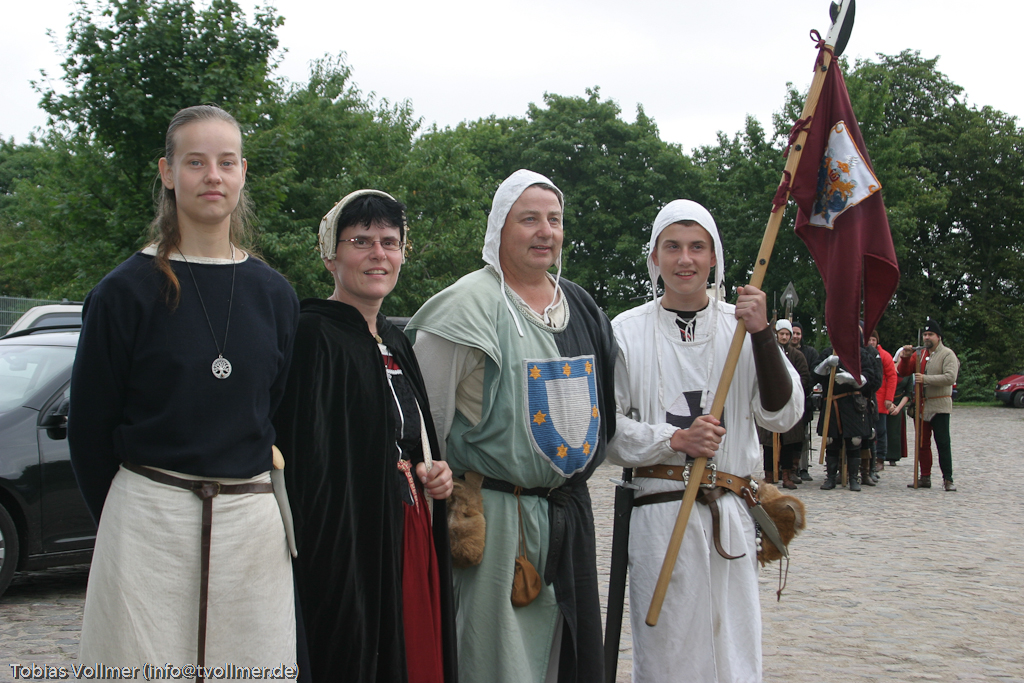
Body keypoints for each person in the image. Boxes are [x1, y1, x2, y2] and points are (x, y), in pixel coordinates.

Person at [68, 105, 300, 667]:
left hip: (250, 533)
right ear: (168, 172)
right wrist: (134, 515)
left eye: (226, 162)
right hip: (147, 527)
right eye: (195, 162)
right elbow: (89, 429)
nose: (212, 176)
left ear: (242, 172)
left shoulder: (274, 295)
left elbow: (274, 413)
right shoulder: (124, 292)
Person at [407, 170, 617, 683]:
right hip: (494, 521)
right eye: (529, 219)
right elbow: (421, 426)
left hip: (567, 517)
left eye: (554, 220)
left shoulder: (580, 306)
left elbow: (608, 413)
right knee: (493, 662)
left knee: (563, 662)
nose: (545, 231)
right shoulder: (466, 307)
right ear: (500, 228)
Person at [605, 199, 803, 683]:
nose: (685, 259)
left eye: (697, 247)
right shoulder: (625, 333)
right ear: (654, 257)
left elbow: (783, 415)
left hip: (728, 513)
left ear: (714, 257)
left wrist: (762, 335)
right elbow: (607, 431)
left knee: (732, 650)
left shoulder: (742, 326)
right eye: (672, 247)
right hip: (659, 516)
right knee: (668, 653)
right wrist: (674, 438)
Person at [273, 190, 457, 682]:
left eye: (390, 242)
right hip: (347, 544)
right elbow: (307, 461)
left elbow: (409, 439)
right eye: (361, 241)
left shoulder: (396, 339)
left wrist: (435, 471)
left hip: (408, 530)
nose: (379, 254)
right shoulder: (313, 336)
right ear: (330, 255)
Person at [813, 329, 883, 491]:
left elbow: (871, 379)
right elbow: (814, 376)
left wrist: (851, 379)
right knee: (831, 441)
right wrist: (825, 364)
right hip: (832, 403)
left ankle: (853, 479)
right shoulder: (828, 353)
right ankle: (831, 478)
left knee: (854, 441)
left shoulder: (861, 355)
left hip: (853, 404)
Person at [896, 318, 960, 491]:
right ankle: (925, 477)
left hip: (939, 405)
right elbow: (903, 372)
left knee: (943, 443)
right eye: (925, 334)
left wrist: (925, 379)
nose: (927, 337)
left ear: (938, 337)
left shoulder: (947, 354)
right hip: (921, 406)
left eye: (930, 334)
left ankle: (948, 479)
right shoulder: (920, 354)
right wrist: (905, 357)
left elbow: (950, 377)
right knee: (922, 444)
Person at [759, 319, 811, 489]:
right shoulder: (767, 352)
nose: (784, 337)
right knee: (769, 443)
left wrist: (789, 390)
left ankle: (787, 475)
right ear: (776, 334)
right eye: (781, 333)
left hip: (789, 403)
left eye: (787, 334)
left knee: (788, 441)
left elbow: (804, 378)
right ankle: (769, 474)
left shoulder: (797, 356)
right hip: (770, 402)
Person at [791, 321, 818, 481]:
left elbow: (813, 375)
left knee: (803, 436)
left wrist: (801, 387)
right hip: (784, 400)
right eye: (792, 333)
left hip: (803, 399)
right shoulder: (780, 350)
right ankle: (784, 467)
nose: (795, 336)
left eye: (798, 333)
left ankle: (802, 467)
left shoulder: (810, 353)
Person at [867, 330, 897, 475]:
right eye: (869, 340)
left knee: (881, 431)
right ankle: (867, 458)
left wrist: (889, 398)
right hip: (868, 398)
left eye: (873, 340)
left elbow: (892, 377)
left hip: (881, 398)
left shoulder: (884, 356)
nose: (871, 342)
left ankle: (880, 458)